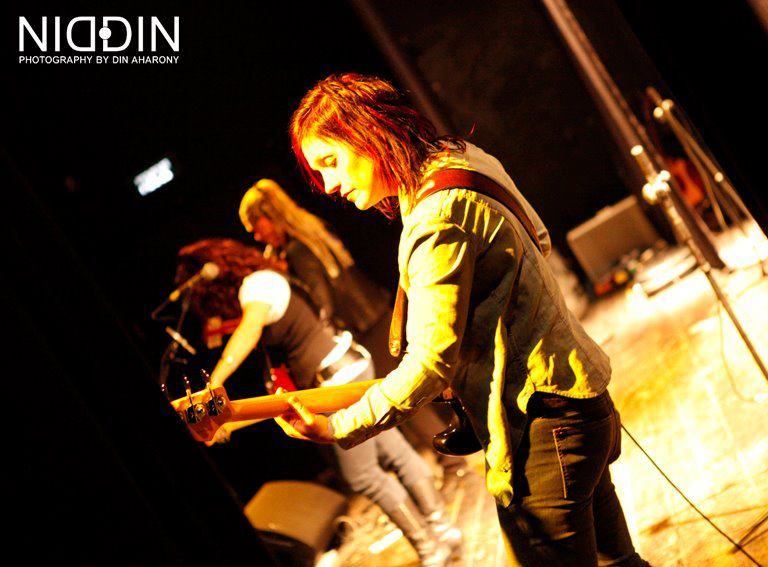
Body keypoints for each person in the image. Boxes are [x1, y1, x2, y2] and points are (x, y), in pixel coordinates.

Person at [274, 73, 648, 566]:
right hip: (580, 402)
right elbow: (539, 239)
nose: (328, 186)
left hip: (540, 427)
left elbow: (429, 364)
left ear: (367, 134)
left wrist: (336, 428)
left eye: (330, 162)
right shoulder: (463, 160)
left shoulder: (436, 216)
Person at [174, 238, 461, 566]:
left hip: (337, 379)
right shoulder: (268, 277)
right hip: (345, 365)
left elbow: (250, 330)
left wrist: (214, 383)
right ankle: (443, 530)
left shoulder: (256, 286)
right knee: (394, 452)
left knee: (363, 475)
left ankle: (431, 547)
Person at [239, 178, 469, 477]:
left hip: (365, 326)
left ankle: (453, 462)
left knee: (402, 395)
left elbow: (322, 303)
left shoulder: (296, 251)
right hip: (376, 313)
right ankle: (453, 457)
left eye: (256, 227)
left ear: (269, 217)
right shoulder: (311, 231)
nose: (257, 236)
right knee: (408, 389)